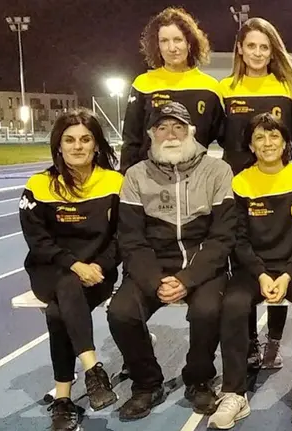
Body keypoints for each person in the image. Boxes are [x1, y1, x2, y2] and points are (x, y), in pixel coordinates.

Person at [107, 102, 236, 420]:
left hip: (202, 266)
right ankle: (147, 383)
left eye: (178, 127)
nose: (171, 134)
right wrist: (154, 281)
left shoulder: (218, 170)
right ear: (151, 134)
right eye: (162, 128)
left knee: (209, 310)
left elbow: (223, 237)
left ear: (191, 131)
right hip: (152, 266)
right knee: (121, 313)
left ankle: (199, 378)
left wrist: (187, 279)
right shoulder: (135, 176)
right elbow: (132, 240)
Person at [209, 113, 292, 429]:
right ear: (250, 144)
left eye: (274, 136)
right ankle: (234, 392)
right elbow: (238, 239)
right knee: (232, 304)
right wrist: (260, 273)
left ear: (286, 142)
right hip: (252, 268)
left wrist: (287, 273)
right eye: (259, 137)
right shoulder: (241, 182)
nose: (267, 143)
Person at [19, 110, 122, 431]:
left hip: (98, 274)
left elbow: (122, 237)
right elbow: (38, 241)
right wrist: (75, 264)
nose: (77, 146)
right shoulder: (39, 185)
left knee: (55, 314)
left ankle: (63, 399)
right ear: (59, 146)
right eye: (69, 140)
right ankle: (93, 370)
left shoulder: (114, 182)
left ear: (96, 145)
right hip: (49, 272)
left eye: (85, 139)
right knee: (66, 282)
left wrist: (98, 266)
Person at [218, 17, 292, 369]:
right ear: (240, 49)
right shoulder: (224, 89)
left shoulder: (287, 90)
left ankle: (273, 340)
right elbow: (210, 136)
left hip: (278, 189)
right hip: (238, 190)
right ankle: (250, 344)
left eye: (264, 46)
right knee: (242, 268)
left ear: (273, 52)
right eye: (251, 45)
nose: (257, 52)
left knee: (280, 256)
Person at [120, 7, 224, 172]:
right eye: (164, 41)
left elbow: (224, 139)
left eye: (178, 39)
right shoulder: (143, 84)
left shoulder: (210, 88)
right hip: (151, 181)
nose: (171, 48)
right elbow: (131, 141)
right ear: (157, 45)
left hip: (195, 182)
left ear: (189, 43)